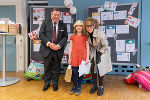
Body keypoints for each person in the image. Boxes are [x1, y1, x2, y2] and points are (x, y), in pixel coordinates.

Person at [39, 8, 68, 91]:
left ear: (60, 15)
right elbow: (41, 34)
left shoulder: (63, 25)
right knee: (47, 67)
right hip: (47, 49)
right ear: (51, 14)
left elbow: (65, 37)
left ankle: (55, 84)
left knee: (56, 68)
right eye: (54, 14)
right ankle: (47, 83)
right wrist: (49, 43)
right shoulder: (45, 22)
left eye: (58, 15)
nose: (56, 16)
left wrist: (58, 45)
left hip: (58, 50)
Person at [84, 17, 112, 96]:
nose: (89, 28)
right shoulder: (86, 34)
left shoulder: (100, 34)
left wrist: (99, 54)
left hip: (102, 50)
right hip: (93, 51)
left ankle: (101, 87)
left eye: (91, 26)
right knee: (92, 68)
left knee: (100, 68)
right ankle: (95, 85)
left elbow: (105, 45)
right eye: (87, 26)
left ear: (94, 26)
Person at [68, 20, 89, 96]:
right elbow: (70, 47)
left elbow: (87, 48)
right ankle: (74, 86)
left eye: (80, 26)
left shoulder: (85, 37)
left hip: (82, 57)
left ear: (82, 27)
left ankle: (79, 87)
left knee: (80, 73)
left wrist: (87, 58)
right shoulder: (72, 37)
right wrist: (69, 58)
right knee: (74, 73)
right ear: (75, 27)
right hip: (74, 57)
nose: (79, 27)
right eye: (77, 26)